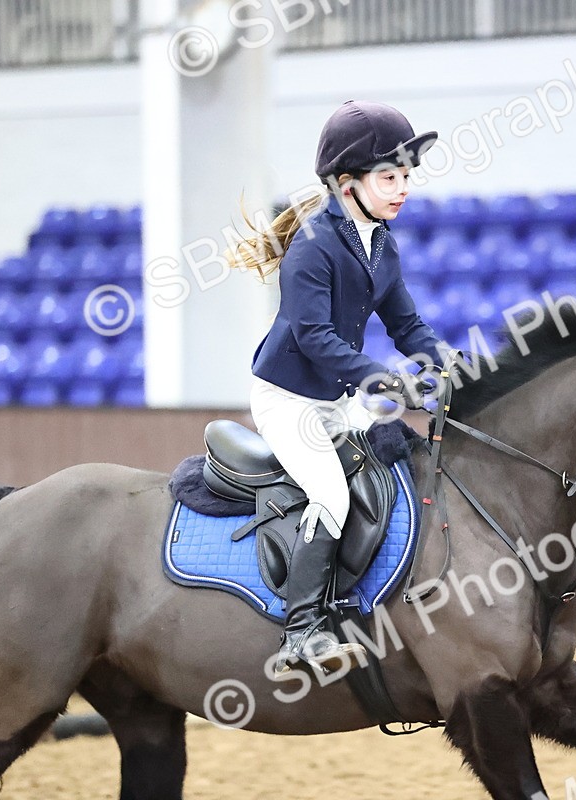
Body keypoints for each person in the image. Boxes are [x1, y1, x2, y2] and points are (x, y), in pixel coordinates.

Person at [230, 100, 448, 675]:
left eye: (406, 177)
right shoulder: (312, 248)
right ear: (347, 184)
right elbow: (314, 338)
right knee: (332, 494)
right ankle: (299, 632)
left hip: (335, 397)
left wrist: (447, 365)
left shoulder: (381, 245)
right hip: (289, 398)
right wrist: (383, 379)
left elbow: (406, 325)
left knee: (397, 456)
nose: (403, 188)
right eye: (389, 177)